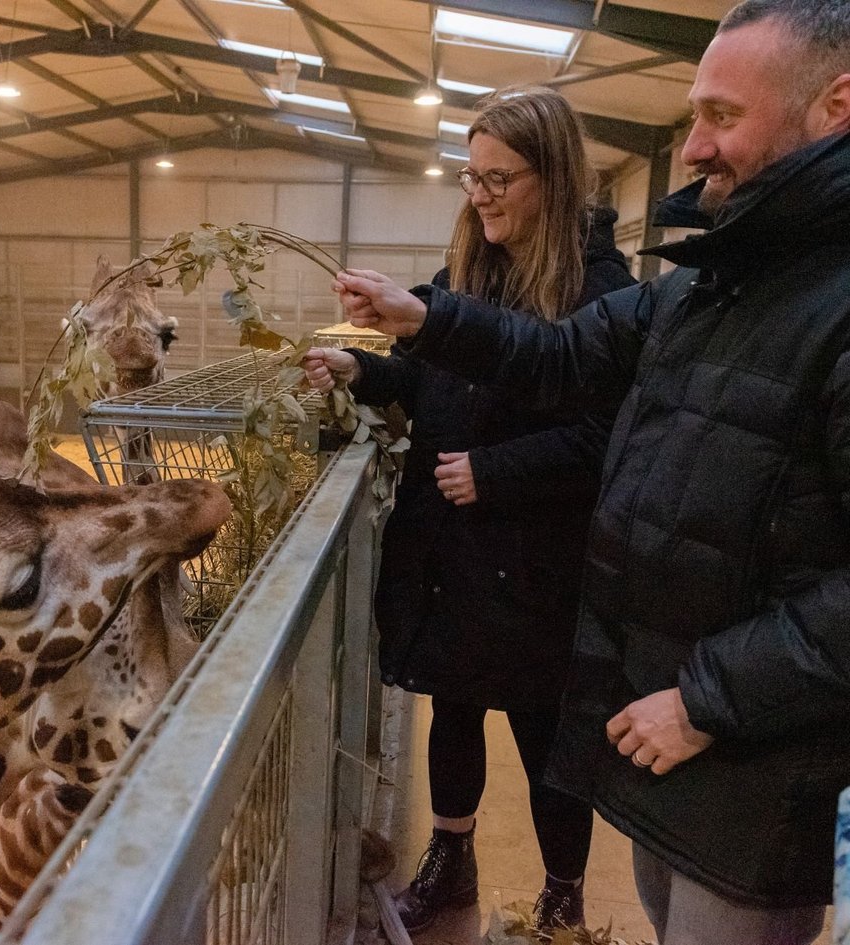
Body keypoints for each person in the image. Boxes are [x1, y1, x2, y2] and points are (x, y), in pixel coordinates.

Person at [331, 2, 850, 943]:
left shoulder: (811, 299)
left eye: (721, 118)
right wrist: (421, 321)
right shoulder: (706, 282)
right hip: (664, 714)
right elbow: (558, 360)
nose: (691, 149)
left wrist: (707, 698)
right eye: (693, 116)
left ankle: (562, 883)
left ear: (837, 106)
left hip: (744, 740)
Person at [304, 86, 635, 934]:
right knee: (451, 708)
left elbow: (610, 433)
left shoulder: (600, 286)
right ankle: (452, 857)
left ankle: (562, 892)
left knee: (543, 730)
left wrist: (499, 470)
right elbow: (428, 375)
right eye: (471, 176)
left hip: (537, 557)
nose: (480, 194)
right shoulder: (469, 270)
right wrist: (363, 370)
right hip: (451, 545)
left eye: (500, 178)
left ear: (553, 177)